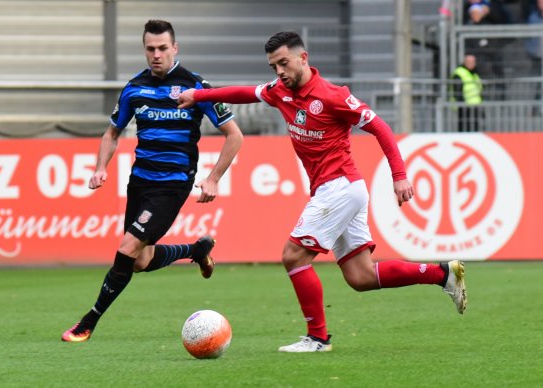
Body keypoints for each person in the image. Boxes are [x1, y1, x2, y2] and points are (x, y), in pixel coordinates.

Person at [178, 31, 467, 353]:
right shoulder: (280, 92)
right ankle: (442, 274)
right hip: (338, 189)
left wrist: (399, 176)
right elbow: (245, 92)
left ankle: (317, 339)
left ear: (304, 58)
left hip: (340, 186)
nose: (279, 72)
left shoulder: (333, 96)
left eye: (284, 63)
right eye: (274, 66)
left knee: (293, 255)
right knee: (361, 277)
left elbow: (380, 127)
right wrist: (199, 96)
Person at [61, 20, 243, 342]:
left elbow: (234, 136)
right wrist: (100, 166)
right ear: (145, 50)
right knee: (139, 261)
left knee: (127, 247)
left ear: (175, 48)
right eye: (150, 49)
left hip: (172, 185)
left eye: (162, 48)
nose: (156, 54)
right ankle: (197, 249)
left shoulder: (196, 87)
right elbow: (112, 132)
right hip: (140, 182)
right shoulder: (134, 87)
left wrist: (213, 179)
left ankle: (89, 321)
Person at [451, 54, 484, 132]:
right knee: (464, 127)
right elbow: (457, 90)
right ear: (465, 62)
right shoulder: (459, 72)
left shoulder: (474, 73)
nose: (471, 64)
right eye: (469, 62)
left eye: (473, 62)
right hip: (464, 105)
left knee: (475, 127)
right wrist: (461, 103)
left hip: (475, 105)